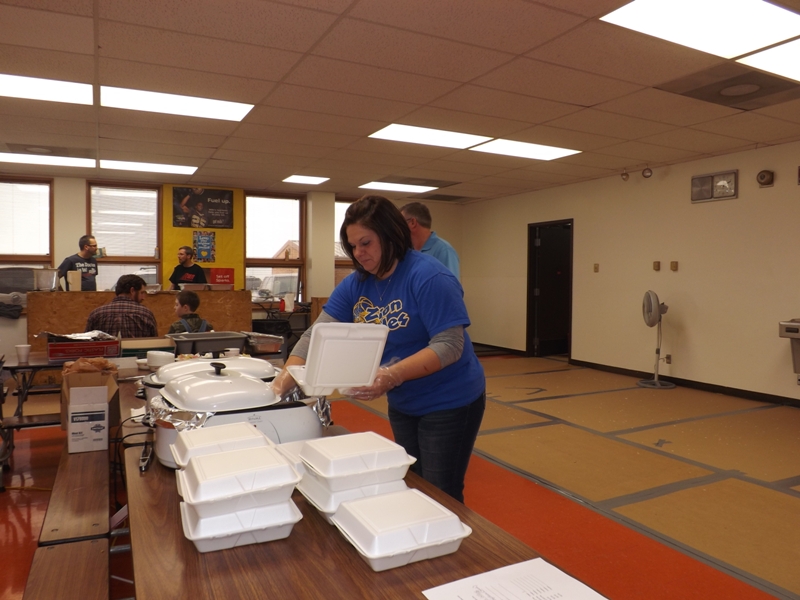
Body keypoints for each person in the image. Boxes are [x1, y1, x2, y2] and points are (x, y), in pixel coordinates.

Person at [272, 195, 485, 503]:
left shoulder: (429, 276)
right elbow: (314, 335)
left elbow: (450, 345)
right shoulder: (356, 283)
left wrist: (391, 375)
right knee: (413, 482)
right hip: (404, 400)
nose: (359, 253)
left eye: (366, 243)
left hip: (449, 399)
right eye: (353, 246)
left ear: (390, 235)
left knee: (441, 491)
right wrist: (281, 384)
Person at [400, 202, 460, 280]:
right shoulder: (407, 251)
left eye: (400, 223)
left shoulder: (444, 250)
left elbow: (450, 285)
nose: (398, 228)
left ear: (413, 222)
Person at [85, 274, 157, 338]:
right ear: (132, 291)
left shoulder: (96, 314)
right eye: (142, 293)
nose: (143, 298)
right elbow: (154, 343)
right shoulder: (145, 314)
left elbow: (86, 342)